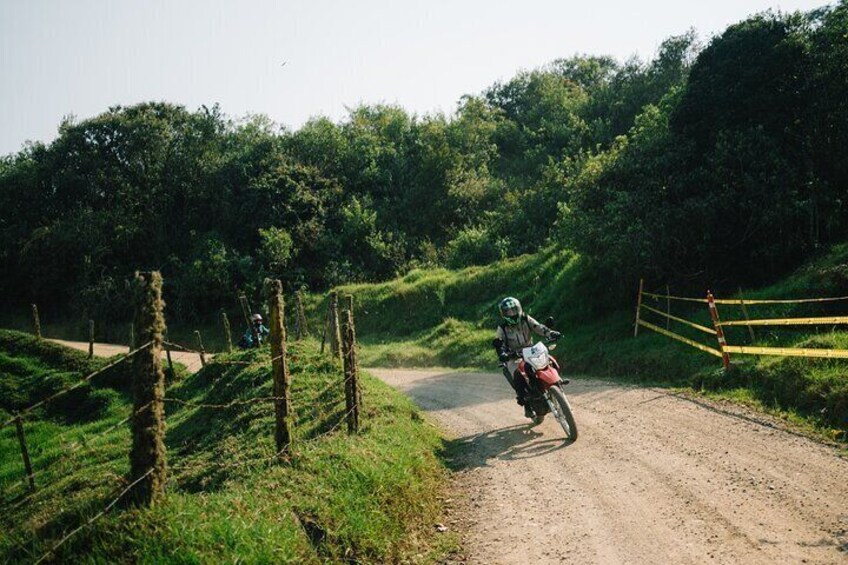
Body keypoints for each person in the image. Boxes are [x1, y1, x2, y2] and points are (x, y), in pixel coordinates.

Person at [492, 296, 560, 418]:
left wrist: (550, 333)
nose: (512, 314)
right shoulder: (502, 328)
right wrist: (502, 353)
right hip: (513, 356)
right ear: (503, 314)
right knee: (518, 374)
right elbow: (499, 342)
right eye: (508, 311)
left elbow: (538, 327)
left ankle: (555, 383)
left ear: (519, 308)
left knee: (548, 360)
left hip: (530, 350)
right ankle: (524, 401)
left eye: (514, 310)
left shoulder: (525, 318)